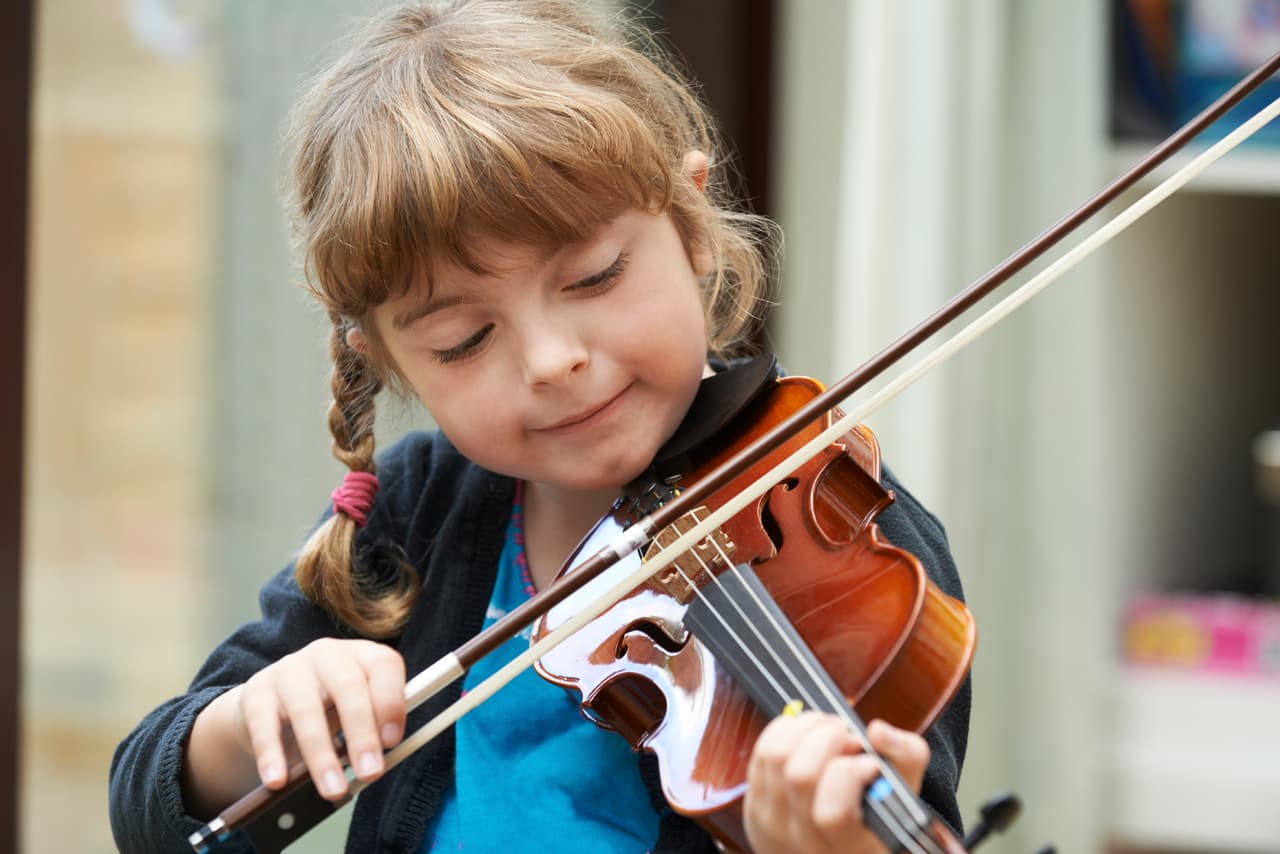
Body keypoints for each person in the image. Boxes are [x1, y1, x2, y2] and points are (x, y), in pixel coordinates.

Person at [108, 1, 970, 852]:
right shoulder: (419, 510)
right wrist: (246, 727)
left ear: (692, 223)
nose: (551, 359)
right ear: (391, 360)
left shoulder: (844, 527)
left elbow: (898, 809)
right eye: (465, 339)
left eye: (593, 276)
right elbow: (145, 806)